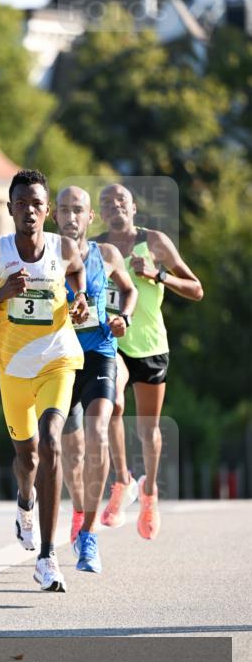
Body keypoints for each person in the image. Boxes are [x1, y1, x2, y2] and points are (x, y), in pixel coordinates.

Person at [0, 169, 89, 593]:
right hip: (14, 369)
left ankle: (48, 557)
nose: (29, 211)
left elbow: (77, 273)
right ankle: (25, 502)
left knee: (52, 442)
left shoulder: (63, 247)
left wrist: (80, 299)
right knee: (28, 459)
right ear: (10, 209)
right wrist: (1, 295)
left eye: (37, 204)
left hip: (58, 359)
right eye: (22, 204)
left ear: (47, 210)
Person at [96, 184, 203, 539]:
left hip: (151, 345)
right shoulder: (97, 249)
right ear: (101, 213)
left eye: (121, 201)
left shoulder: (154, 242)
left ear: (133, 208)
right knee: (113, 402)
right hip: (113, 340)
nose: (115, 206)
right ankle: (122, 481)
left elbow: (196, 288)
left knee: (148, 429)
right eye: (107, 202)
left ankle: (149, 491)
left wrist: (158, 275)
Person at [54, 186, 138, 573]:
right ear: (54, 215)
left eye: (78, 210)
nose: (71, 217)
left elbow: (129, 290)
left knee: (98, 433)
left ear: (90, 217)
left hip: (101, 354)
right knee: (71, 455)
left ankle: (88, 534)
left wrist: (124, 318)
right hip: (61, 360)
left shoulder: (107, 255)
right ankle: (79, 511)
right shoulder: (44, 255)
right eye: (64, 210)